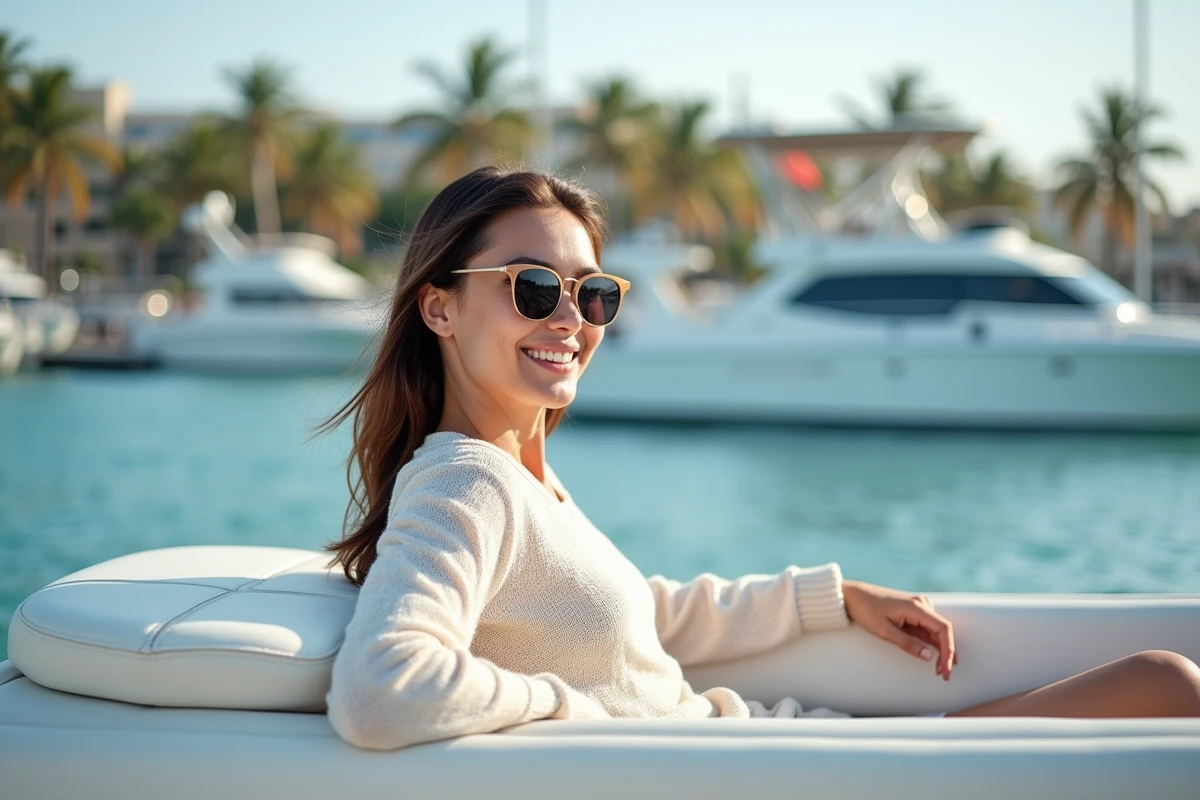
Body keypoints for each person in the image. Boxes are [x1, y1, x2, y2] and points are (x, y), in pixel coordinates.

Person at [321, 166, 1200, 751]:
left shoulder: (522, 478)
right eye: (535, 287)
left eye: (591, 294)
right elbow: (381, 690)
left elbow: (636, 616)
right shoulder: (465, 481)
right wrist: (577, 714)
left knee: (1163, 683)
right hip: (779, 763)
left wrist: (829, 596)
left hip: (781, 741)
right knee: (1164, 684)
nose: (572, 320)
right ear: (438, 309)